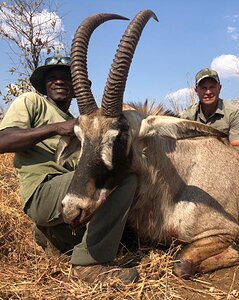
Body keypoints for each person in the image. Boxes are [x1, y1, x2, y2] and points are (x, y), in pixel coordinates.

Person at [0, 55, 139, 284]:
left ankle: (55, 237)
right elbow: (3, 141)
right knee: (124, 180)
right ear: (44, 85)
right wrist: (56, 128)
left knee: (127, 237)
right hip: (42, 191)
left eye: (66, 78)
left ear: (76, 87)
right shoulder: (32, 102)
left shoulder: (79, 122)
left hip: (69, 194)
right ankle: (89, 265)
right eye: (52, 78)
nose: (59, 82)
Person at [180, 68, 239, 147]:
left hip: (224, 158)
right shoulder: (186, 116)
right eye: (203, 88)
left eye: (212, 87)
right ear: (196, 91)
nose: (208, 92)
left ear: (219, 88)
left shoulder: (233, 113)